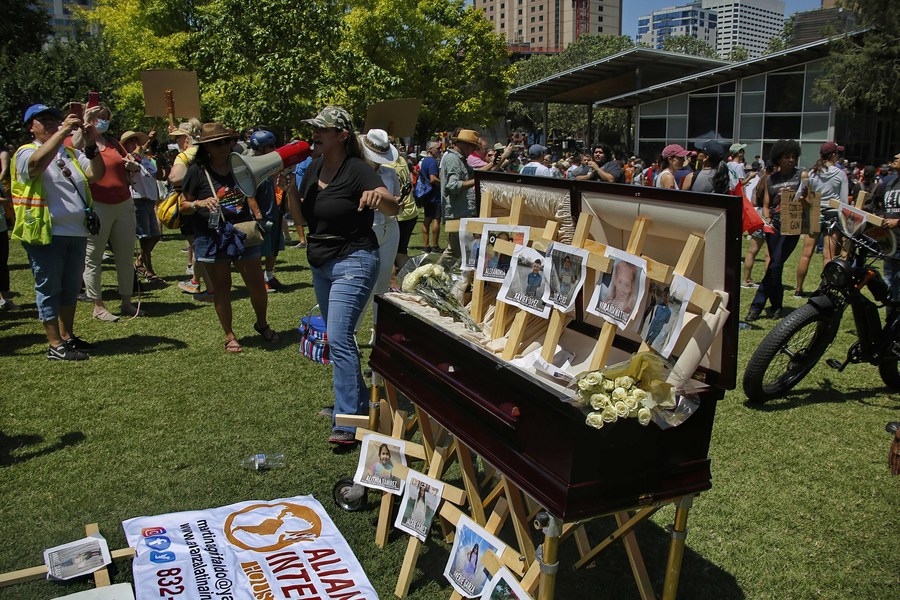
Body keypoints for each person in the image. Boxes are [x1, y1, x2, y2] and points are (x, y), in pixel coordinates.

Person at [296, 106, 397, 445]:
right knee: (339, 337)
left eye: (322, 129)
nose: (315, 134)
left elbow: (392, 204)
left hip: (354, 260)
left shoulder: (357, 168)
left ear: (341, 135)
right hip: (321, 261)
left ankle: (349, 422)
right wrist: (287, 190)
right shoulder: (314, 167)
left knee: (339, 337)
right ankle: (355, 404)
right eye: (314, 128)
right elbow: (301, 218)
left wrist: (378, 196)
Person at [12, 103, 106, 359]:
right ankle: (54, 344)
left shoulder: (70, 153)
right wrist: (63, 131)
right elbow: (34, 166)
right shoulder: (25, 152)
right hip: (46, 232)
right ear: (30, 128)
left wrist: (90, 145)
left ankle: (67, 336)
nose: (51, 123)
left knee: (70, 288)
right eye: (43, 120)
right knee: (49, 287)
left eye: (53, 119)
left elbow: (96, 173)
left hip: (76, 231)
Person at [178, 122, 277, 352]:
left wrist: (259, 214)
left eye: (227, 141)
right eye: (217, 143)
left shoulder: (239, 165)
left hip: (243, 231)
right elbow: (183, 205)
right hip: (212, 235)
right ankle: (229, 334)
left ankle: (262, 324)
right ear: (206, 147)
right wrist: (199, 203)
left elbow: (250, 192)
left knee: (257, 284)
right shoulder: (197, 171)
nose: (224, 146)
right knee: (222, 287)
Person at [69, 105, 140, 320]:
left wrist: (131, 165)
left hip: (123, 202)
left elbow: (127, 161)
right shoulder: (81, 141)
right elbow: (72, 147)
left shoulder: (113, 142)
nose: (103, 121)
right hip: (97, 205)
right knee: (93, 257)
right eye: (99, 117)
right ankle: (98, 305)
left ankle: (126, 302)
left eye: (106, 117)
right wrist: (84, 124)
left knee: (125, 255)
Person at [746, 139, 806, 322]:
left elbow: (810, 201)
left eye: (793, 156)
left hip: (792, 227)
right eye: (786, 157)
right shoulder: (770, 179)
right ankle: (777, 306)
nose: (791, 160)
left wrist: (803, 200)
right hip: (774, 226)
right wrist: (767, 221)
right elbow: (766, 205)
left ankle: (756, 307)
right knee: (775, 266)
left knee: (775, 264)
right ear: (778, 158)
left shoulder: (801, 175)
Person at [794, 141, 849, 297]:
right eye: (838, 153)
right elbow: (844, 202)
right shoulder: (840, 174)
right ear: (833, 155)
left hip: (815, 211)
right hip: (833, 214)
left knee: (806, 253)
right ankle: (826, 290)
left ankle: (798, 289)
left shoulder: (812, 172)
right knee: (828, 256)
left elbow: (799, 194)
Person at [121, 130, 165, 285]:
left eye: (135, 141)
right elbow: (133, 161)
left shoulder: (145, 159)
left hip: (149, 199)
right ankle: (148, 269)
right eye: (130, 142)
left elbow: (158, 175)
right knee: (145, 237)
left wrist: (158, 158)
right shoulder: (127, 158)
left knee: (155, 236)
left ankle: (140, 261)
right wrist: (147, 143)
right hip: (138, 199)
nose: (134, 144)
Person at [246, 130, 286, 292]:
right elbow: (250, 195)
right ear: (260, 148)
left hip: (274, 213)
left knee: (274, 248)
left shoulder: (271, 165)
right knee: (259, 251)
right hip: (261, 217)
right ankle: (259, 280)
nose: (274, 148)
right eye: (270, 146)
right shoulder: (252, 168)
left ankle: (269, 276)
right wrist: (258, 216)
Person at [440, 130, 479, 258]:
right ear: (465, 145)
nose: (473, 151)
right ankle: (436, 270)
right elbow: (453, 186)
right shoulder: (453, 159)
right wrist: (476, 181)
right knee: (454, 252)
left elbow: (477, 175)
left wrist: (496, 163)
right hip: (457, 213)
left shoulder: (460, 159)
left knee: (462, 251)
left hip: (461, 212)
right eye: (473, 147)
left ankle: (441, 270)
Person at [418, 142, 441, 253]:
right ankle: (435, 246)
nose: (439, 151)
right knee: (436, 219)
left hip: (426, 195)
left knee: (427, 219)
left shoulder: (424, 161)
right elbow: (433, 179)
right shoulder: (432, 162)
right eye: (438, 148)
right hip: (434, 195)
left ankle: (426, 245)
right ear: (430, 149)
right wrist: (443, 184)